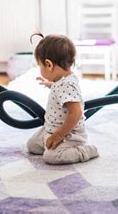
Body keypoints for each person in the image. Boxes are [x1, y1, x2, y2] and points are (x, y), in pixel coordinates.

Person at [26, 33, 99, 164]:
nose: (40, 69)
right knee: (32, 145)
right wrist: (51, 84)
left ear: (48, 65)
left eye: (40, 66)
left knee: (51, 157)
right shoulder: (62, 81)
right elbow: (61, 90)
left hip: (69, 134)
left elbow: (76, 113)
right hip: (50, 128)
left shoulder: (67, 85)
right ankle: (51, 141)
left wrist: (59, 135)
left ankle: (86, 151)